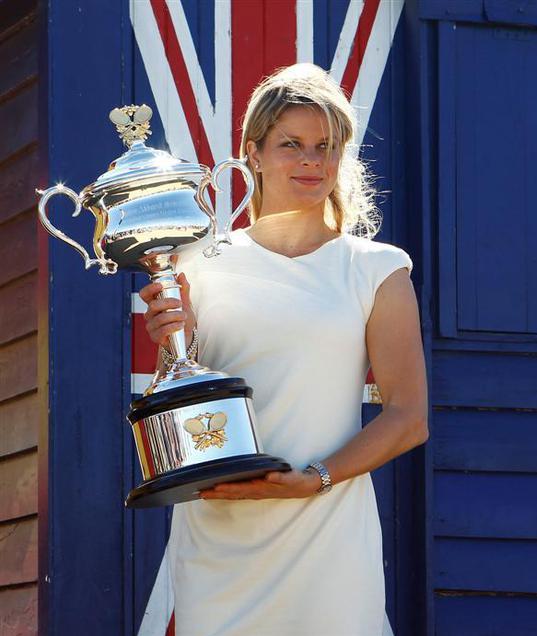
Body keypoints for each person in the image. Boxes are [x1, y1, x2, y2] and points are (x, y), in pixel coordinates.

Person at [138, 63, 428, 635]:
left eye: (326, 146)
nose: (311, 161)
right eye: (291, 144)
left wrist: (315, 479)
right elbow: (180, 397)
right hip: (221, 539)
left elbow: (409, 417)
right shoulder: (196, 264)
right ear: (253, 152)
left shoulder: (377, 269)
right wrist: (172, 340)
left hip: (330, 534)